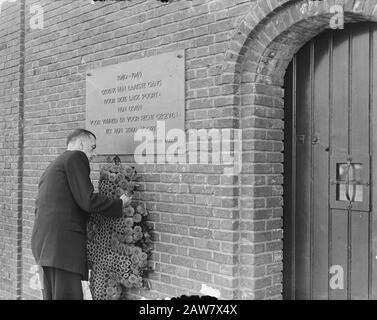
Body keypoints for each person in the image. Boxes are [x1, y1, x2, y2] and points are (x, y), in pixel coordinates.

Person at [31, 128, 131, 300]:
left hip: (45, 245)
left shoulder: (54, 165)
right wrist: (119, 203)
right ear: (80, 144)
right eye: (92, 148)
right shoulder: (75, 157)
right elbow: (87, 200)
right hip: (63, 247)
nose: (94, 154)